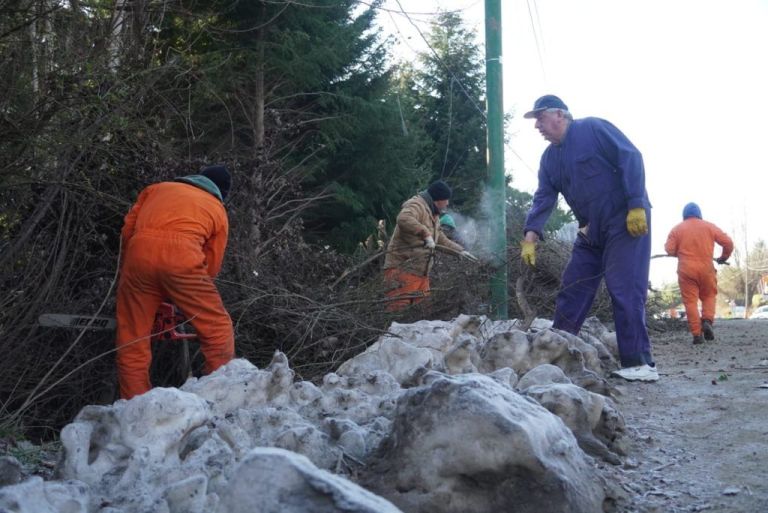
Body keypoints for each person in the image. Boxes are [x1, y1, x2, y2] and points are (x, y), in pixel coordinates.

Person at [520, 95, 657, 382]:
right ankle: (557, 354)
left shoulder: (593, 129)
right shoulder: (549, 159)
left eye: (540, 119)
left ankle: (640, 363)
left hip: (625, 221)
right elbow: (544, 195)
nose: (538, 127)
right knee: (574, 285)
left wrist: (635, 204)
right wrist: (530, 235)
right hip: (591, 229)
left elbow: (630, 156)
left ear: (559, 114)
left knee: (624, 288)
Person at [115, 165, 235, 399]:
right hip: (183, 260)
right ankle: (217, 395)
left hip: (138, 256)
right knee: (217, 328)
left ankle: (134, 404)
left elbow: (127, 230)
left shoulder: (156, 189)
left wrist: (131, 270)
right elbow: (212, 262)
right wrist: (184, 294)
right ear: (221, 192)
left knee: (132, 340)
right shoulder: (217, 209)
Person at [383, 180, 476, 312]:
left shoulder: (434, 213)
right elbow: (403, 219)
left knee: (421, 314)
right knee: (397, 313)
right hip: (402, 270)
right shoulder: (416, 205)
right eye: (446, 199)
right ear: (438, 199)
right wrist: (425, 234)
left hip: (420, 273)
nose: (447, 203)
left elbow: (440, 238)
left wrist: (460, 251)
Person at [664, 202, 733, 344]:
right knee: (708, 296)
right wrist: (723, 258)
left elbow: (669, 249)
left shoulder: (677, 229)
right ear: (699, 215)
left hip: (686, 270)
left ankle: (697, 335)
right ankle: (707, 320)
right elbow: (728, 243)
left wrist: (679, 252)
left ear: (684, 216)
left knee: (690, 303)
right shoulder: (709, 226)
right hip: (706, 268)